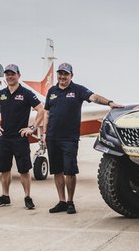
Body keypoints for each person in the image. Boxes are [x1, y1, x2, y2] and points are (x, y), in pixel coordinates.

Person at [44, 63, 122, 214]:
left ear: (71, 75)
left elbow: (94, 97)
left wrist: (109, 103)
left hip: (69, 138)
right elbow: (47, 112)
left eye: (65, 74)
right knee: (57, 171)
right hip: (52, 137)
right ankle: (61, 201)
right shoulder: (52, 91)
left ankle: (70, 202)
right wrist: (45, 134)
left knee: (70, 171)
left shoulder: (78, 90)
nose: (62, 77)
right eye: (60, 74)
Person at [0, 64, 44, 210]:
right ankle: (5, 196)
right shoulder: (1, 94)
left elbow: (41, 109)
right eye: (7, 74)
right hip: (4, 137)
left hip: (20, 138)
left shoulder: (26, 93)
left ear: (18, 75)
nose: (9, 76)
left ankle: (27, 197)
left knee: (24, 170)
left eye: (12, 74)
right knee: (4, 170)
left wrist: (32, 128)